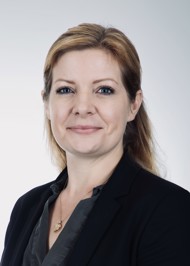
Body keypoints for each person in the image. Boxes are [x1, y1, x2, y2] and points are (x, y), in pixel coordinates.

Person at [1, 23, 190, 266]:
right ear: (47, 103)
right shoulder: (26, 208)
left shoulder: (171, 210)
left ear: (134, 104)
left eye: (104, 90)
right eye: (66, 89)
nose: (82, 107)